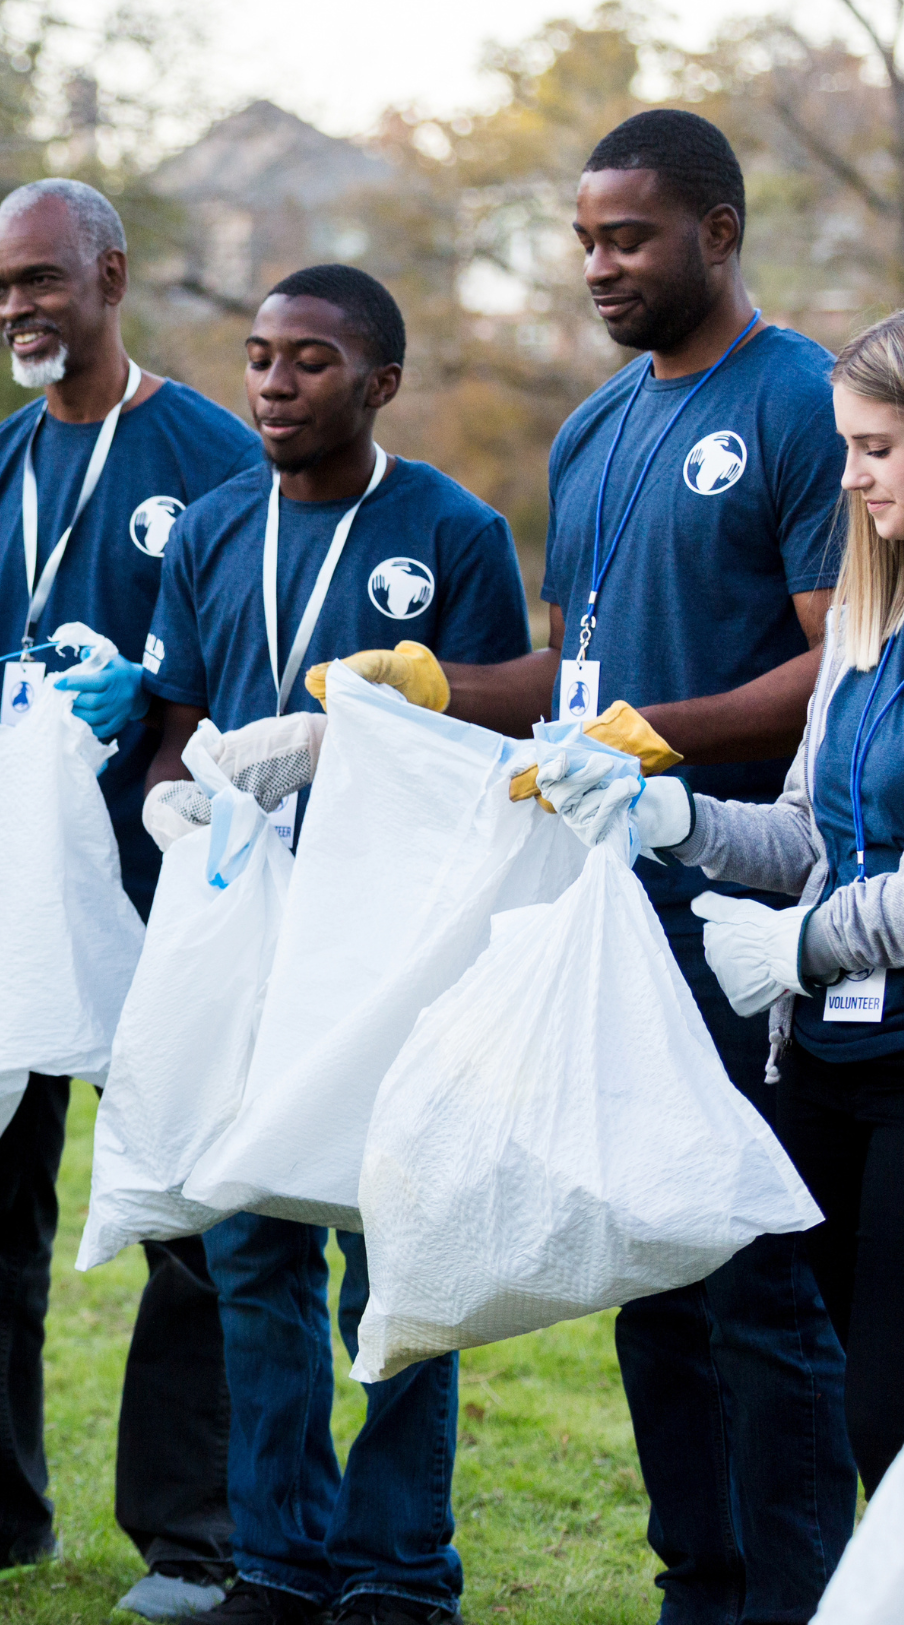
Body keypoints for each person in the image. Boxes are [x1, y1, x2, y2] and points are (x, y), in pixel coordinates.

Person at [356, 110, 857, 1622]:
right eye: (583, 239)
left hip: (751, 899)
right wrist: (437, 690)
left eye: (627, 236)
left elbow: (837, 662)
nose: (598, 265)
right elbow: (577, 678)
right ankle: (695, 1585)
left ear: (719, 230)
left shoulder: (804, 404)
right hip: (608, 903)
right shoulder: (591, 428)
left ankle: (797, 1595)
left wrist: (662, 740)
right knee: (646, 1265)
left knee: (762, 1283)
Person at [138, 265, 531, 1625]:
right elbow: (175, 719)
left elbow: (497, 739)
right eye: (256, 356)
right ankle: (279, 1558)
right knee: (252, 1251)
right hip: (251, 936)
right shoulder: (211, 529)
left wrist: (350, 743)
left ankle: (398, 1565)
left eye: (309, 361)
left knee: (392, 1250)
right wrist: (171, 807)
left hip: (390, 944)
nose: (272, 383)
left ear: (379, 384)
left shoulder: (452, 530)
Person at [0, 176, 259, 1624]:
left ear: (110, 273)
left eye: (40, 280)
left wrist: (155, 708)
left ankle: (189, 1534)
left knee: (183, 1205)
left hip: (161, 880)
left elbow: (250, 654)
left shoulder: (214, 448)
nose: (16, 310)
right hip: (13, 889)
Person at [547, 304, 904, 1502]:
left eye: (880, 449)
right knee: (858, 1398)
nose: (852, 477)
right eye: (851, 447)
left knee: (885, 1405)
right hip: (826, 1057)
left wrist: (803, 941)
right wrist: (677, 816)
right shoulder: (864, 621)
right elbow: (811, 829)